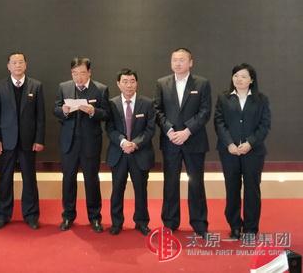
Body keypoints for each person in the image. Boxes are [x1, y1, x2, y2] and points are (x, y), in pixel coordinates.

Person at [154, 48, 211, 237]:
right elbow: (157, 110)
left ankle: (199, 224)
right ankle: (170, 222)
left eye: (182, 60)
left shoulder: (202, 83)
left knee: (196, 183)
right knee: (170, 183)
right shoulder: (162, 83)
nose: (177, 63)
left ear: (190, 62)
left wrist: (187, 131)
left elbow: (205, 111)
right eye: (174, 60)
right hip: (170, 141)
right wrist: (170, 130)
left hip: (194, 140)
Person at [214, 63, 271, 239]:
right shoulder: (223, 98)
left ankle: (251, 228)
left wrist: (250, 143)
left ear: (251, 80)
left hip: (253, 152)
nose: (239, 79)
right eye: (236, 76)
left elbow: (264, 125)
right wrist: (229, 144)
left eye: (244, 76)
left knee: (252, 189)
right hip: (229, 152)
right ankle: (235, 226)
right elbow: (219, 122)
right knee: (232, 188)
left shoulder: (261, 99)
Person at [53, 57, 110, 232]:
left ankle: (95, 217)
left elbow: (107, 114)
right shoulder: (64, 87)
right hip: (69, 142)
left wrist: (93, 111)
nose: (78, 77)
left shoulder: (100, 89)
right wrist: (63, 111)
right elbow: (55, 109)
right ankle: (68, 216)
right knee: (68, 180)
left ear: (89, 72)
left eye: (82, 73)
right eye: (75, 73)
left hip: (90, 142)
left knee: (91, 180)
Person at [0, 52, 46, 229]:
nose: (17, 65)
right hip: (6, 141)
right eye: (14, 62)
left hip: (28, 142)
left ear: (26, 65)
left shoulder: (36, 86)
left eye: (21, 62)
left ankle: (31, 215)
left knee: (29, 179)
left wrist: (39, 139)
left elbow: (40, 116)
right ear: (8, 66)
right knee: (4, 179)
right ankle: (2, 215)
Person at [106, 69, 156, 236]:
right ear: (118, 84)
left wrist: (135, 144)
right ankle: (116, 222)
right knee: (117, 190)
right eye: (125, 81)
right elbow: (110, 128)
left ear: (137, 83)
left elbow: (150, 130)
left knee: (141, 190)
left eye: (132, 81)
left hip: (140, 153)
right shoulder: (112, 103)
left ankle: (141, 222)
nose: (129, 85)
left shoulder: (147, 103)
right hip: (119, 153)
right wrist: (123, 142)